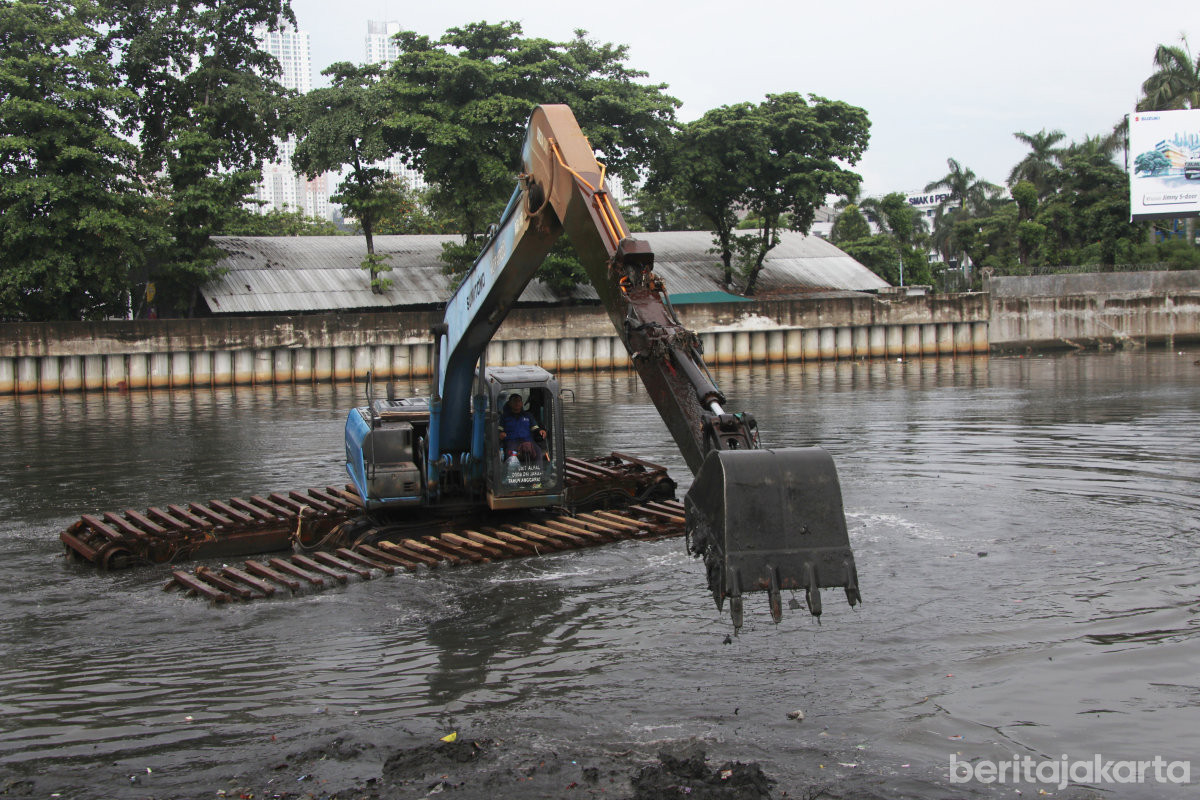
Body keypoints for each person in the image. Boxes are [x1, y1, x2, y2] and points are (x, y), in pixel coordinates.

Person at [498, 393, 548, 463]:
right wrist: (500, 434)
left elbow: (535, 428)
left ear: (521, 403)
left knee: (538, 452)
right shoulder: (504, 417)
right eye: (514, 401)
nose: (517, 403)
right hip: (512, 441)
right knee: (511, 456)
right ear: (509, 403)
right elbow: (499, 430)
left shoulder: (528, 416)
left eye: (519, 401)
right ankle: (510, 473)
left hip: (528, 440)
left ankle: (539, 472)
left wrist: (541, 431)